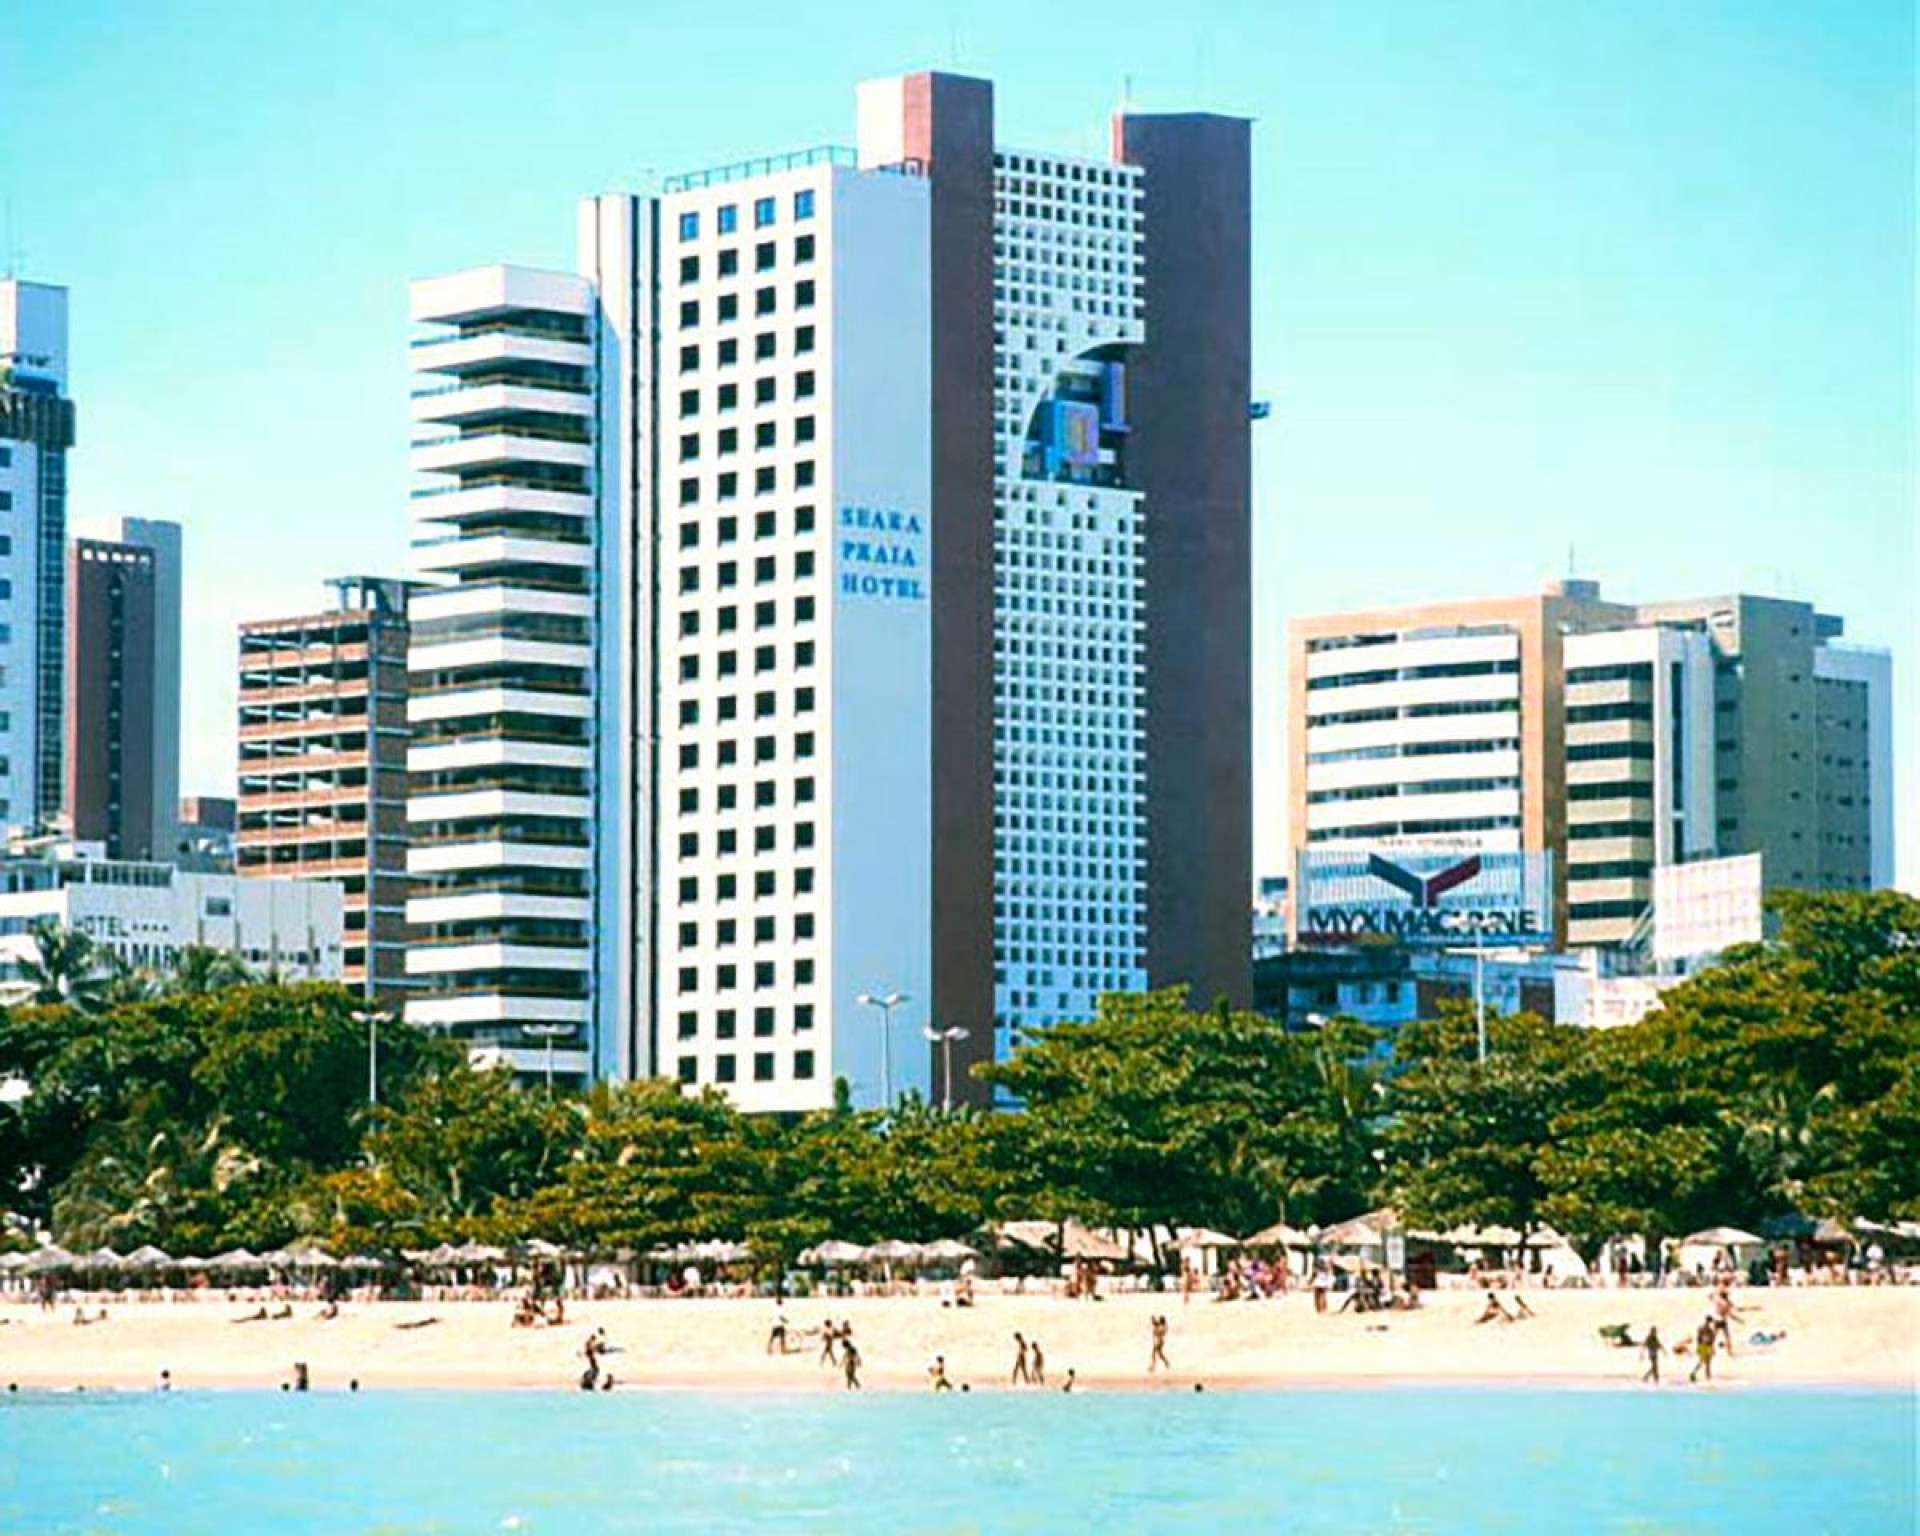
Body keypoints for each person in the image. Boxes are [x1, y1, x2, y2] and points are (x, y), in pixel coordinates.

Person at [1690, 1318, 1716, 1384]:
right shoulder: (1705, 1329)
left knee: (1707, 1362)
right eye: (1710, 1322)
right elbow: (1700, 1338)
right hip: (1704, 1346)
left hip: (1705, 1346)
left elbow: (1711, 1340)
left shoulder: (1707, 1329)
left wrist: (1711, 1347)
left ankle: (1708, 1377)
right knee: (1703, 1362)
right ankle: (1694, 1373)